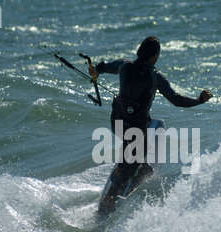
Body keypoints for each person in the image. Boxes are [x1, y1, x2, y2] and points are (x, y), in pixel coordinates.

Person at [90, 36, 213, 167]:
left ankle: (125, 160)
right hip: (136, 127)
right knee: (141, 143)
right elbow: (176, 100)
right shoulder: (156, 77)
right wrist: (199, 100)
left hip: (117, 123)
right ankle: (127, 168)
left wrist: (95, 70)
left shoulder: (123, 65)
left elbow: (103, 66)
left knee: (130, 133)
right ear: (155, 55)